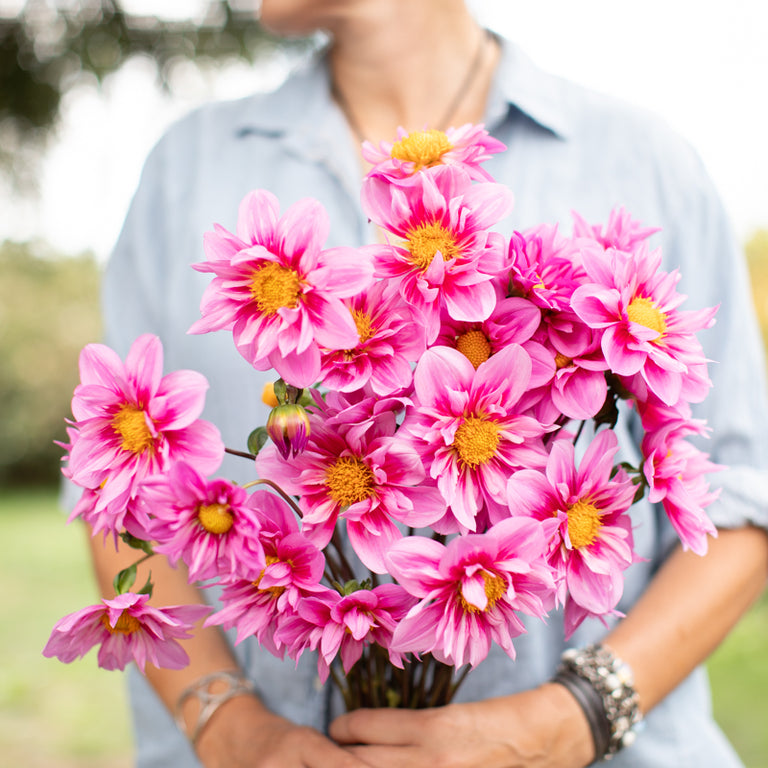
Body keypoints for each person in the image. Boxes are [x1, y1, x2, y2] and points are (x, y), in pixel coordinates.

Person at [85, 1, 768, 766]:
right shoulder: (188, 164)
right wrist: (226, 726)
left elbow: (744, 500)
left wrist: (577, 716)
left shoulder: (643, 157)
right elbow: (112, 495)